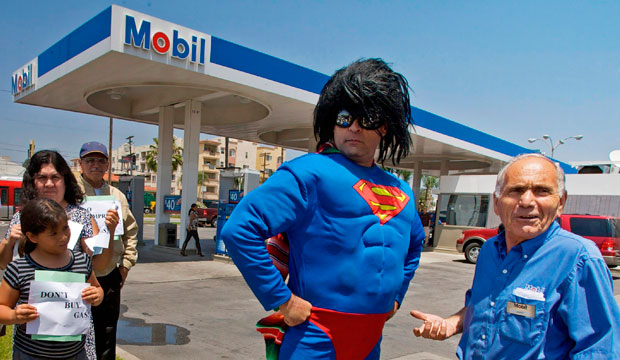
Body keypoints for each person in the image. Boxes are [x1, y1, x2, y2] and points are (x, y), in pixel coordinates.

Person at [222, 58, 426, 359]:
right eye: (344, 117)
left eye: (366, 117)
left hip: (371, 338)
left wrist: (396, 297)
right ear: (332, 119)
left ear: (384, 125)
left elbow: (414, 244)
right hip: (315, 334)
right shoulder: (308, 173)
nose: (353, 127)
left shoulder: (402, 190)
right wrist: (282, 299)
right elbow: (239, 230)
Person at [410, 153, 620, 359]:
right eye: (516, 191)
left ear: (561, 202)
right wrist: (451, 324)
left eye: (541, 191)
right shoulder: (490, 250)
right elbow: (483, 306)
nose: (527, 201)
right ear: (497, 202)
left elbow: (599, 349)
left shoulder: (578, 259)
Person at [0, 149, 117, 360]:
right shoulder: (21, 217)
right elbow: (5, 266)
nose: (49, 183)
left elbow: (98, 267)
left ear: (65, 179)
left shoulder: (82, 216)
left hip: (73, 333)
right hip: (34, 338)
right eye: (41, 178)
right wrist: (9, 243)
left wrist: (107, 237)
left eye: (55, 177)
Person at [0, 198, 104, 360]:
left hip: (75, 353)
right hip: (30, 354)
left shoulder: (81, 262)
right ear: (32, 237)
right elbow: (2, 307)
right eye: (53, 233)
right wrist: (14, 315)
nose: (63, 237)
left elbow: (97, 288)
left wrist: (97, 296)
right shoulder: (19, 268)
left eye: (65, 229)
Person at [76, 141, 138, 360]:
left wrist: (126, 266)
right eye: (90, 160)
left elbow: (131, 231)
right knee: (76, 330)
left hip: (109, 274)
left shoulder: (117, 196)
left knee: (107, 331)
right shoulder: (71, 193)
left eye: (101, 161)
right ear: (80, 164)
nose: (95, 165)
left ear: (107, 165)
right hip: (77, 274)